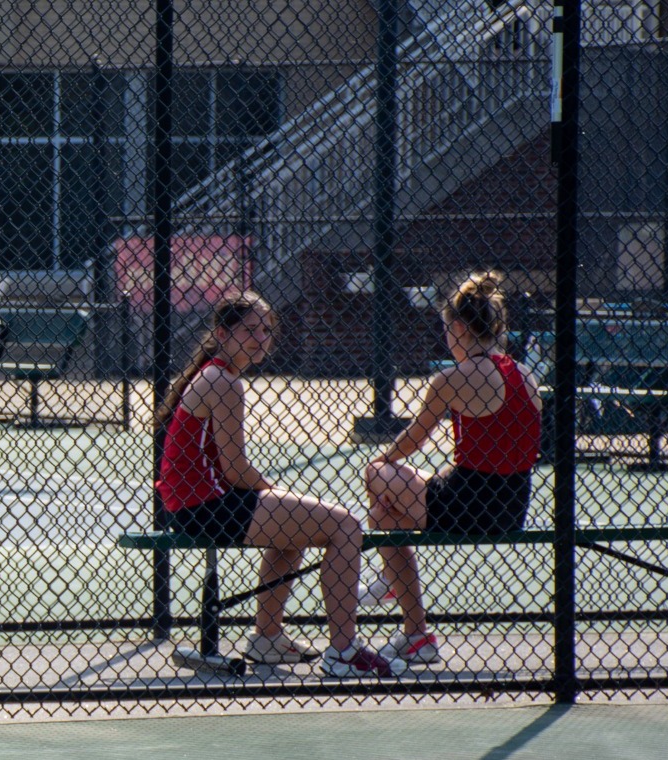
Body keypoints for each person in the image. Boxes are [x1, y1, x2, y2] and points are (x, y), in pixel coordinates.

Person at [156, 292, 406, 678]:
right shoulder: (223, 382)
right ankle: (343, 650)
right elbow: (237, 470)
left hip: (197, 502)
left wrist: (274, 497)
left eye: (266, 330)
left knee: (294, 530)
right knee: (346, 526)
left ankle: (268, 639)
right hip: (204, 506)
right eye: (251, 330)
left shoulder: (216, 373)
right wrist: (273, 491)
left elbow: (230, 470)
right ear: (222, 334)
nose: (261, 338)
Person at [361, 270, 541, 666]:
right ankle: (414, 635)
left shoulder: (452, 378)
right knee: (384, 514)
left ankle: (405, 609)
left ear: (458, 328)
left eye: (446, 330)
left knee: (377, 481)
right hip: (513, 503)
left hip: (466, 501)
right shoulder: (524, 373)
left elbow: (414, 440)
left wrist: (383, 461)